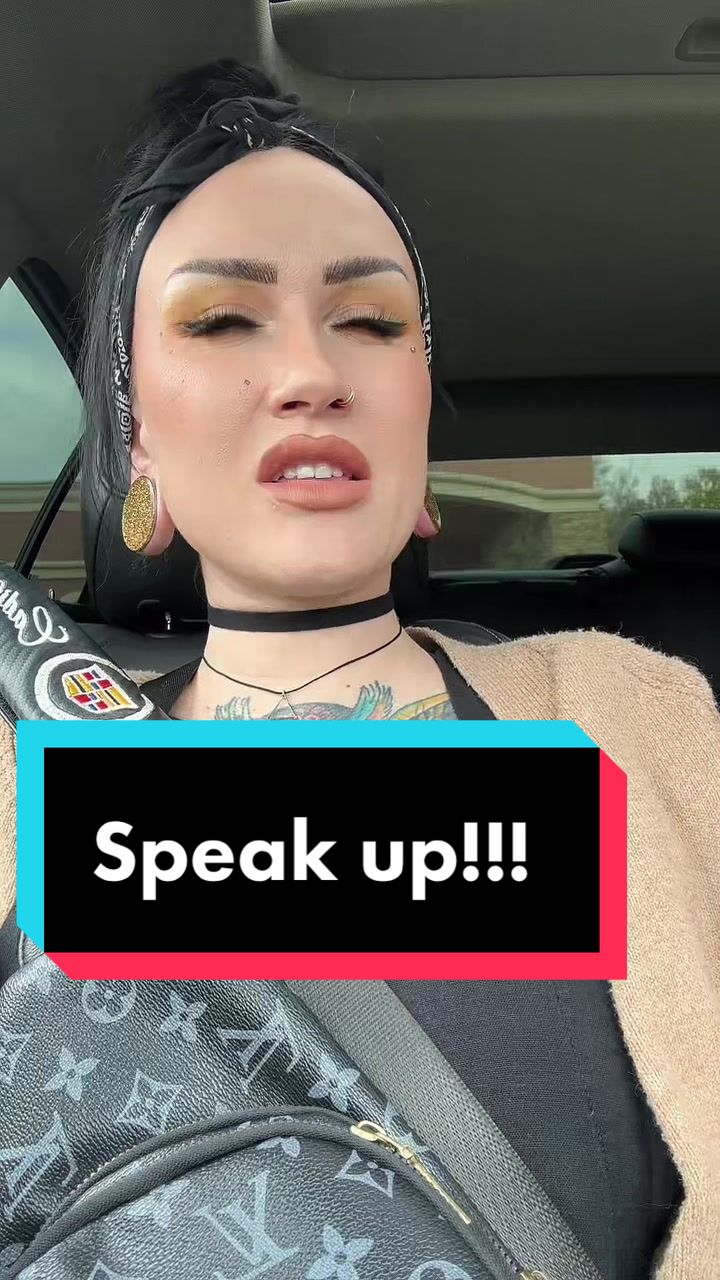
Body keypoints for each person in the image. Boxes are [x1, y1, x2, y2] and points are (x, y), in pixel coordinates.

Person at [0, 58, 718, 1280]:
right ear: (136, 436)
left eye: (372, 321)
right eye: (222, 319)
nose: (310, 373)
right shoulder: (29, 767)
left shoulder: (633, 715)